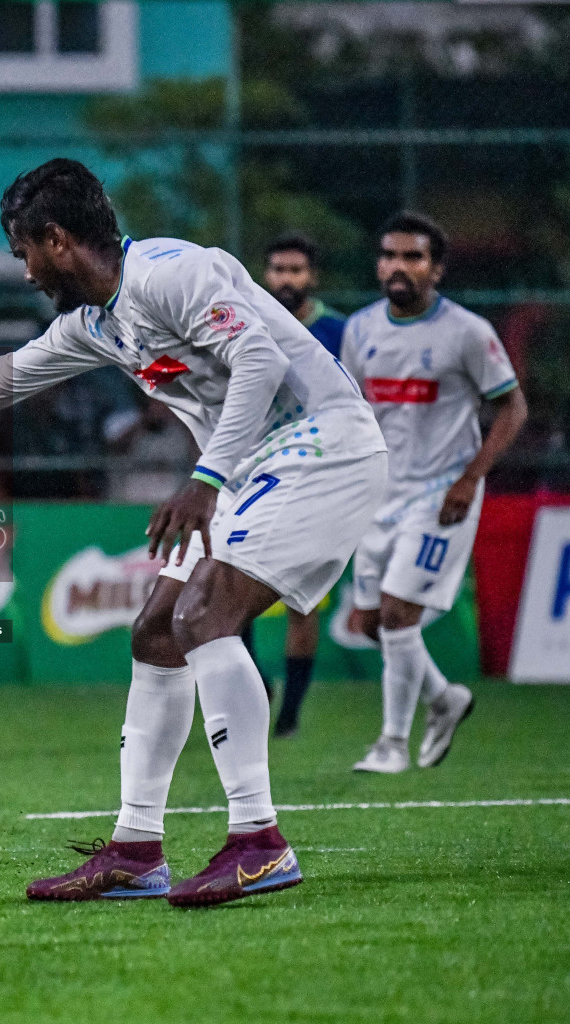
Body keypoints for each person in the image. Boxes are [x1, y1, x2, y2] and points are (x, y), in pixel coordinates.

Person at [0, 159, 387, 907]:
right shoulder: (97, 323)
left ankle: (258, 842)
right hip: (256, 463)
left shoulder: (171, 272)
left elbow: (261, 357)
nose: (23, 273)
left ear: (56, 239)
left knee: (203, 613)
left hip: (325, 444)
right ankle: (136, 851)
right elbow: (1, 378)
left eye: (22, 252)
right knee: (156, 631)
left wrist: (206, 479)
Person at [342, 212, 526, 774]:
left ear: (436, 269)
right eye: (389, 256)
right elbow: (351, 413)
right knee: (371, 622)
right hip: (378, 494)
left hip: (441, 494)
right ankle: (444, 698)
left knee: (399, 612)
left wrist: (470, 478)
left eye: (413, 257)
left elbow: (513, 408)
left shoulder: (468, 333)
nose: (398, 267)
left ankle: (392, 743)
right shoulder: (361, 329)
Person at [261, 233, 352, 737]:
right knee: (230, 588)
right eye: (278, 269)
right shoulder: (250, 322)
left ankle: (291, 712)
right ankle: (254, 677)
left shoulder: (340, 330)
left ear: (311, 276)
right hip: (255, 471)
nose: (286, 279)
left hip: (317, 479)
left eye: (296, 270)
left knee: (301, 599)